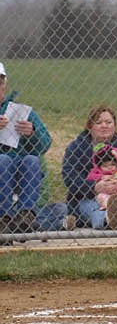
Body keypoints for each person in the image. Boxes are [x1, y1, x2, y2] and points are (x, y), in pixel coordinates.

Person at [62, 105, 117, 230]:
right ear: (90, 126)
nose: (104, 126)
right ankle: (109, 219)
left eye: (108, 122)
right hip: (89, 198)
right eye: (98, 122)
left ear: (115, 125)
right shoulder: (76, 147)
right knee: (95, 210)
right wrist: (94, 187)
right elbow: (70, 176)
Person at [0, 62, 52, 234]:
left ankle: (24, 217)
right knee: (3, 160)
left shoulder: (21, 112)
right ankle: (4, 218)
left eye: (0, 83)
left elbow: (45, 144)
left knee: (31, 160)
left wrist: (32, 133)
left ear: (5, 84)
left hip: (20, 172)